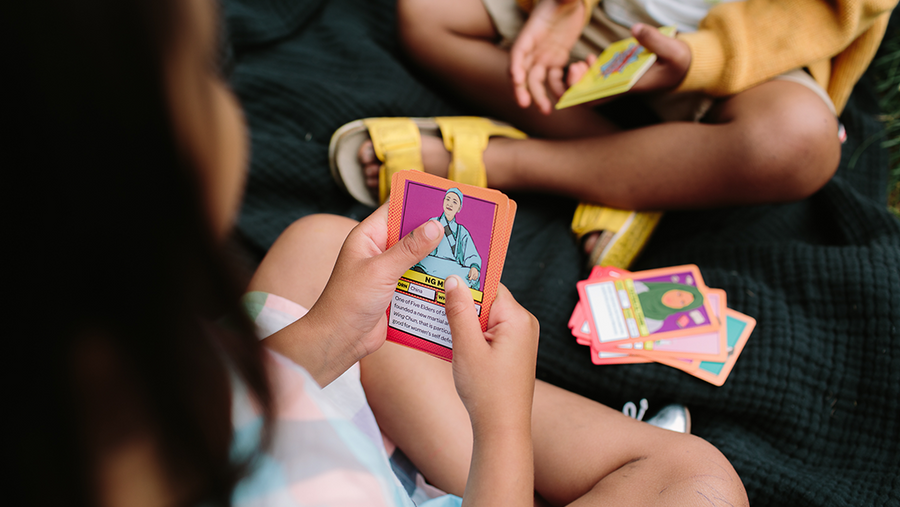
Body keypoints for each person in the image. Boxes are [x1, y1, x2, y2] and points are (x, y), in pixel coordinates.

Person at [7, 0, 749, 506]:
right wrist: (500, 429)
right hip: (402, 477)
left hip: (296, 423)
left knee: (319, 246)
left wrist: (330, 333)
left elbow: (229, 407)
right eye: (208, 66)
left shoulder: (88, 380)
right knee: (697, 479)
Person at [355, 0, 895, 215]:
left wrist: (703, 59)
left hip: (742, 54)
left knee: (801, 141)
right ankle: (625, 173)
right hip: (591, 14)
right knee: (426, 13)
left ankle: (510, 163)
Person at [414, 188, 483, 289]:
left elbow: (471, 252)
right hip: (431, 263)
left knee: (471, 276)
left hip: (452, 267)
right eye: (448, 199)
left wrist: (474, 266)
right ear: (443, 202)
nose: (450, 204)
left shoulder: (462, 230)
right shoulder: (433, 221)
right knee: (420, 264)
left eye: (454, 202)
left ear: (459, 208)